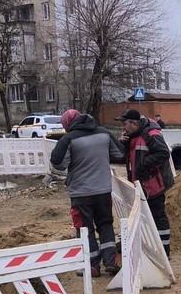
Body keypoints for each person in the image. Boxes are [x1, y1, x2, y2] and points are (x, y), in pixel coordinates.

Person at [50, 109, 125, 278]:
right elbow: (119, 154)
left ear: (67, 124)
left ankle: (92, 266)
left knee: (85, 229)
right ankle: (111, 262)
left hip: (81, 193)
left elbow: (58, 163)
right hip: (103, 190)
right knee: (105, 224)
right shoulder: (104, 133)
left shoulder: (68, 139)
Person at [116, 109, 174, 259]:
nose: (123, 127)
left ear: (134, 123)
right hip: (141, 185)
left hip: (153, 185)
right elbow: (129, 158)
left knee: (158, 217)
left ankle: (164, 253)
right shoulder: (134, 136)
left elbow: (163, 153)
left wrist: (143, 165)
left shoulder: (151, 134)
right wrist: (125, 144)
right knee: (144, 217)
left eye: (125, 124)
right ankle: (150, 249)